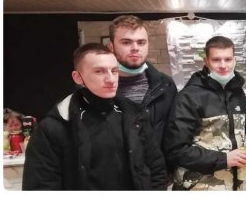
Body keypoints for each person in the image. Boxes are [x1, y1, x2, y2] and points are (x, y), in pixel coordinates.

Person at [22, 43, 167, 190]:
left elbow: (156, 169)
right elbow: (40, 186)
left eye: (114, 71)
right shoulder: (53, 128)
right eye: (99, 71)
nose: (111, 79)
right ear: (78, 77)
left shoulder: (135, 116)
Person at [164, 36, 246, 191]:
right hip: (197, 186)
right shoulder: (188, 96)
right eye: (216, 60)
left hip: (231, 184)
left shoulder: (236, 91)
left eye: (228, 59)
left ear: (234, 60)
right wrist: (224, 159)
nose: (223, 65)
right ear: (206, 62)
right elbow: (176, 150)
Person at [107, 15, 177, 153]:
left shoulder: (165, 85)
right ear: (111, 47)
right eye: (126, 42)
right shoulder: (98, 87)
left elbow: (173, 135)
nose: (135, 48)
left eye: (141, 42)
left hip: (156, 171)